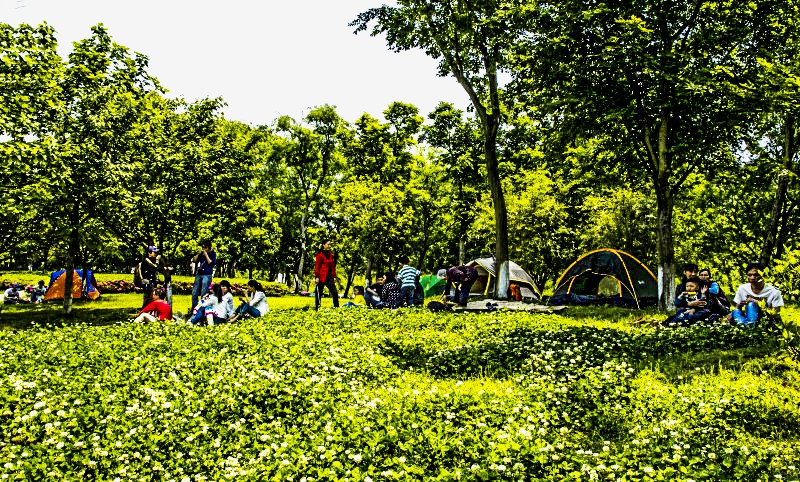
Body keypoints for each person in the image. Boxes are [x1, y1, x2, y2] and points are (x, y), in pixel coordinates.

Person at [729, 262, 784, 327]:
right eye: (749, 275)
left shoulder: (774, 291)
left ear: (763, 275)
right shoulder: (742, 288)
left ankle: (747, 328)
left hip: (767, 321)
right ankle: (748, 327)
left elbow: (776, 315)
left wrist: (754, 301)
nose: (752, 278)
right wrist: (736, 309)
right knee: (734, 312)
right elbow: (738, 308)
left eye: (756, 275)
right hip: (749, 318)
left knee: (751, 305)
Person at [191, 240, 217, 312]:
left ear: (209, 247)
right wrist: (198, 254)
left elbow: (211, 263)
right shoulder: (200, 254)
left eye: (205, 247)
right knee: (194, 292)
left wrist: (206, 255)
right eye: (202, 247)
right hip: (199, 274)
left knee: (204, 293)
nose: (203, 249)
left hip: (207, 274)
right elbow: (194, 260)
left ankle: (202, 310)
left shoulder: (213, 254)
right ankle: (194, 310)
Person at [314, 239, 339, 310]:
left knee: (335, 292)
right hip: (321, 276)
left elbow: (333, 267)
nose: (329, 246)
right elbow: (317, 266)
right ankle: (317, 308)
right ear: (323, 245)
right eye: (328, 244)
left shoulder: (330, 255)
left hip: (329, 276)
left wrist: (334, 276)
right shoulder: (319, 255)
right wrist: (317, 277)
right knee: (319, 293)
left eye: (330, 244)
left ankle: (336, 307)